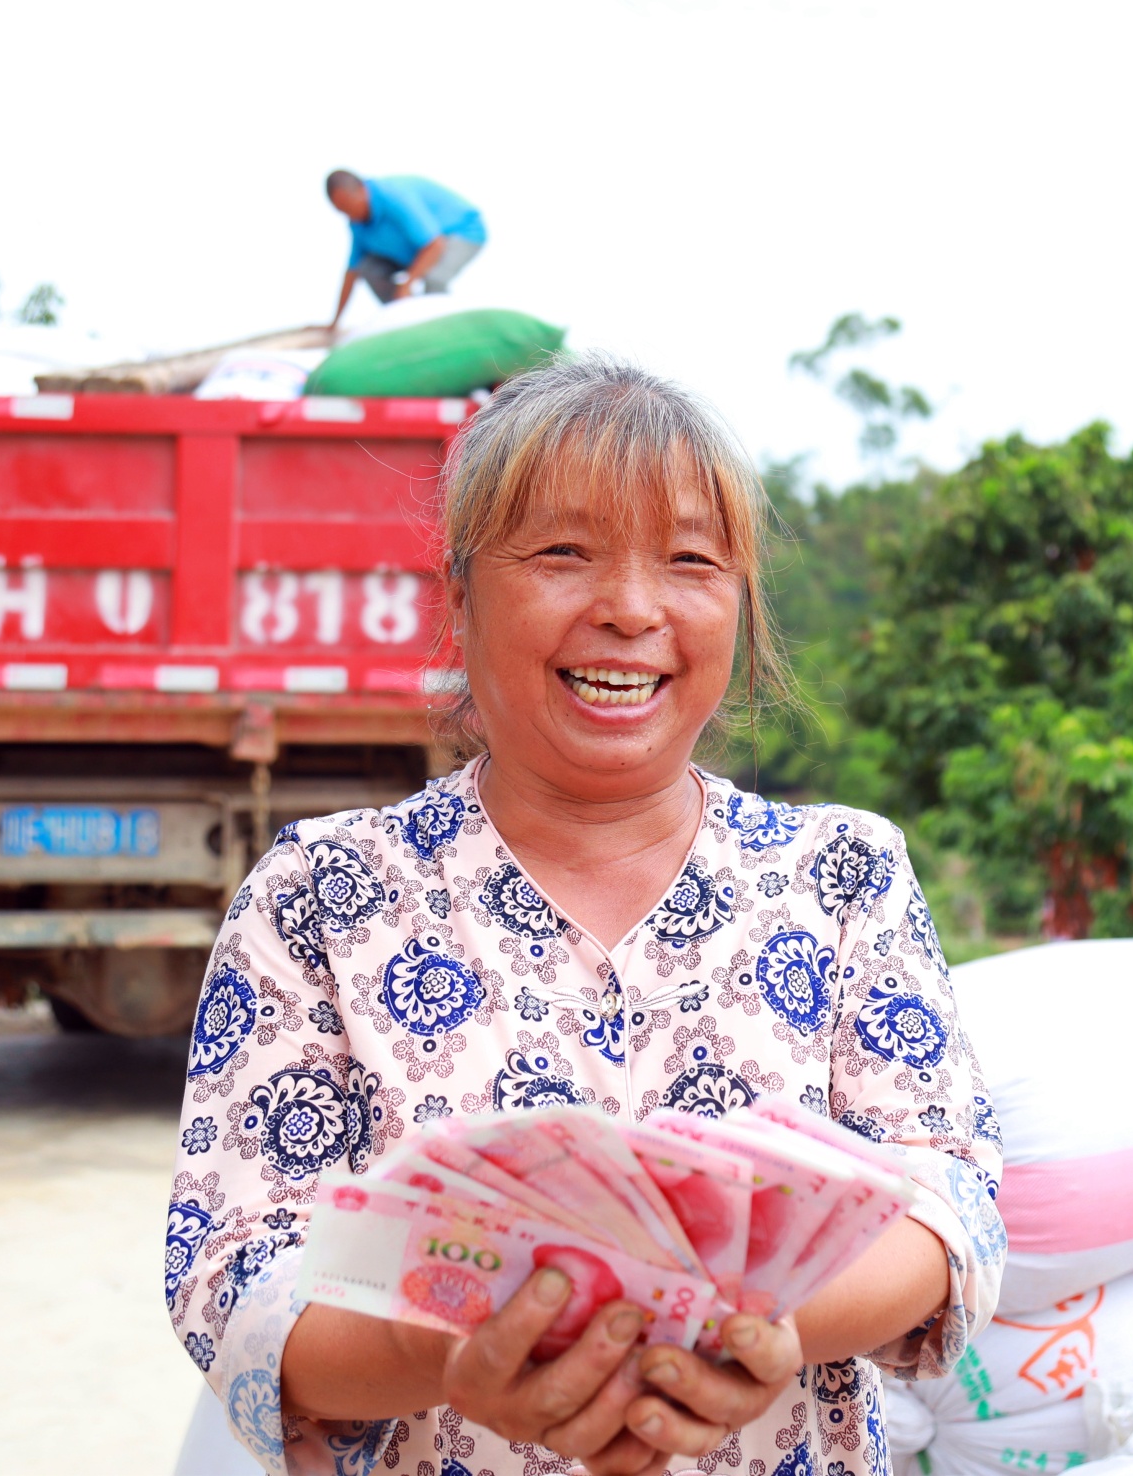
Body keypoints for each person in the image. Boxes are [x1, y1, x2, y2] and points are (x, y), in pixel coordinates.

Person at [166, 355, 1007, 1476]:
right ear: (458, 600)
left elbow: (947, 1203)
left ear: (743, 608)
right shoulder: (321, 895)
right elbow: (235, 1280)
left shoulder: (845, 874)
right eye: (564, 553)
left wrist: (762, 1338)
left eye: (692, 562)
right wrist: (452, 1346)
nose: (631, 608)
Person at [326, 170, 487, 327]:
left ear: (362, 189)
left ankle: (444, 329)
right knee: (369, 268)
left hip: (459, 233)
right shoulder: (357, 223)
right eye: (341, 210)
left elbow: (434, 245)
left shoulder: (393, 196)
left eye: (349, 205)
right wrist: (334, 323)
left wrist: (407, 284)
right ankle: (407, 322)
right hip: (416, 250)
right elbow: (352, 272)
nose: (348, 214)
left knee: (434, 280)